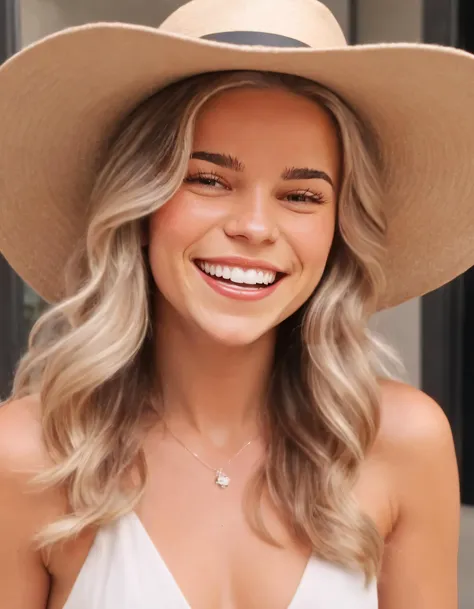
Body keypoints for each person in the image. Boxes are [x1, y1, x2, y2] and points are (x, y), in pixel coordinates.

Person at [0, 0, 472, 607]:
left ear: (338, 232)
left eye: (300, 194)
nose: (254, 227)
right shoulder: (28, 456)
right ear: (140, 207)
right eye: (208, 180)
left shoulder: (404, 443)